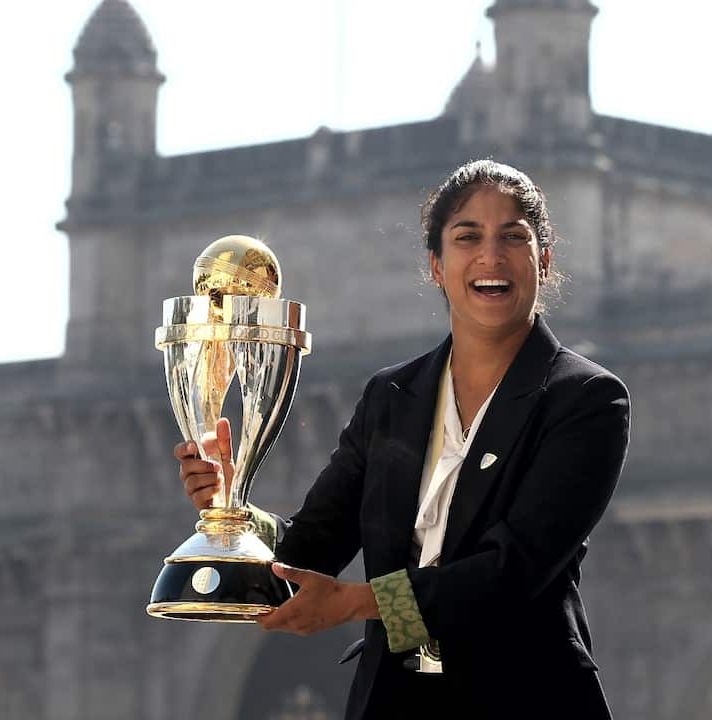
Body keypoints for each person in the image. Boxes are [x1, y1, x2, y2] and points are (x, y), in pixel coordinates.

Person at [177, 160, 629, 719]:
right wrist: (231, 511)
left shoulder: (586, 399)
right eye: (468, 237)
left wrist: (358, 603)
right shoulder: (390, 396)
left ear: (545, 260)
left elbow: (511, 574)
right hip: (396, 699)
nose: (491, 255)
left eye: (513, 236)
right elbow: (308, 544)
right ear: (437, 266)